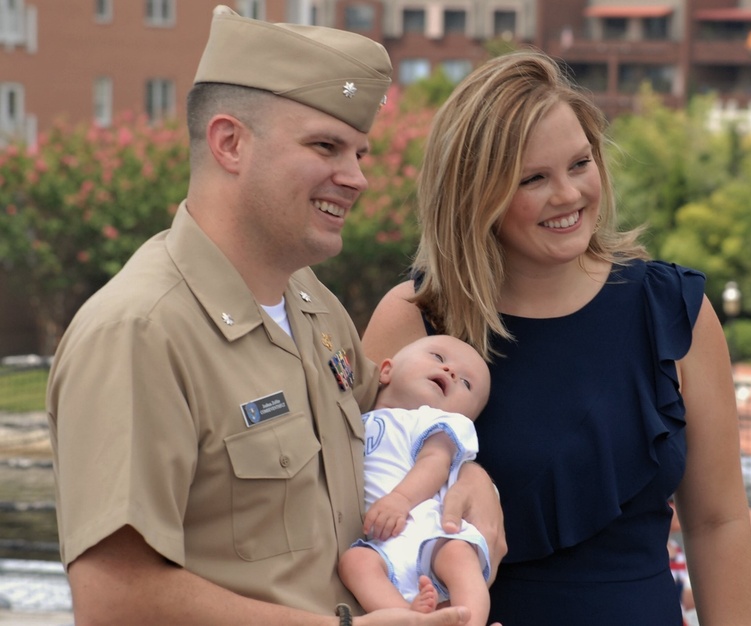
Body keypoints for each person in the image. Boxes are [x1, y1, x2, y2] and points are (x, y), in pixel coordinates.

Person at [45, 6, 503, 625]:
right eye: (325, 146)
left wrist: (471, 481)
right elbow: (114, 601)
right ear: (230, 143)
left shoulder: (313, 307)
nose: (357, 178)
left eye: (360, 153)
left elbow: (398, 431)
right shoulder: (141, 332)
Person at [363, 50, 751, 624]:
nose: (569, 194)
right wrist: (464, 470)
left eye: (579, 164)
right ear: (475, 193)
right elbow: (352, 496)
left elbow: (718, 521)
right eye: (534, 179)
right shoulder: (416, 319)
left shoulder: (675, 311)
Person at [339, 335, 491, 625]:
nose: (451, 372)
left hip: (431, 531)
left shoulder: (436, 422)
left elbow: (435, 462)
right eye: (438, 357)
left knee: (459, 555)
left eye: (467, 383)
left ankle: (472, 621)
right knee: (354, 563)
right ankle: (407, 617)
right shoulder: (355, 418)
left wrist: (401, 499)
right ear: (386, 370)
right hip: (380, 545)